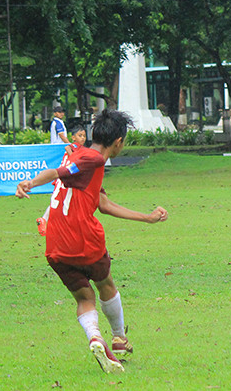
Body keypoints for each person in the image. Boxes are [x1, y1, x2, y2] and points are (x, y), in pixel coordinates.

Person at [16, 109, 168, 374]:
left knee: (84, 296)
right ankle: (119, 338)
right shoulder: (92, 159)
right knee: (105, 283)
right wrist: (30, 182)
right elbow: (56, 172)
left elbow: (103, 203)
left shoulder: (81, 153)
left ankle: (95, 337)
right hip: (83, 238)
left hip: (55, 245)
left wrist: (146, 218)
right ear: (119, 141)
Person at [37, 124, 88, 236]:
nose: (83, 138)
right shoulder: (74, 146)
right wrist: (75, 158)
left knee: (63, 201)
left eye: (84, 135)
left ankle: (46, 220)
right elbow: (68, 148)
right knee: (60, 201)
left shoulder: (82, 149)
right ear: (73, 137)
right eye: (80, 135)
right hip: (64, 177)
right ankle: (46, 220)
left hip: (68, 178)